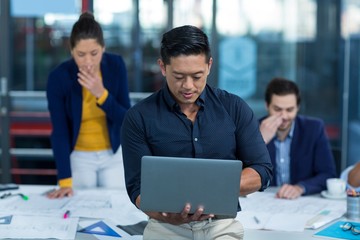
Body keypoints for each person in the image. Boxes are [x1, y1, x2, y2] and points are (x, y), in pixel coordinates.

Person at [121, 25, 273, 240]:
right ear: (163, 67)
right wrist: (164, 213)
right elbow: (137, 188)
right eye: (179, 76)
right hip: (166, 227)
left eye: (197, 76)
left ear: (209, 66)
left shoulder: (234, 108)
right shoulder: (138, 117)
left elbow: (262, 170)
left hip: (221, 225)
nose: (188, 86)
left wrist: (213, 187)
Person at [46, 12, 131, 198]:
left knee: (118, 206)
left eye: (94, 53)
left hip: (113, 153)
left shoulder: (116, 65)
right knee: (77, 207)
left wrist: (102, 94)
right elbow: (59, 131)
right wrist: (65, 180)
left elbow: (127, 120)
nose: (88, 62)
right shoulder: (58, 77)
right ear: (71, 51)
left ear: (103, 48)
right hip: (79, 156)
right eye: (81, 55)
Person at [259, 77, 337, 199]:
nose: (284, 116)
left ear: (298, 107)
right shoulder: (253, 129)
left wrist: (300, 187)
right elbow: (239, 175)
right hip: (264, 201)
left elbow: (328, 174)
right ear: (267, 105)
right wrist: (260, 141)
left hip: (301, 202)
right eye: (277, 109)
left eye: (289, 110)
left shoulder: (314, 128)